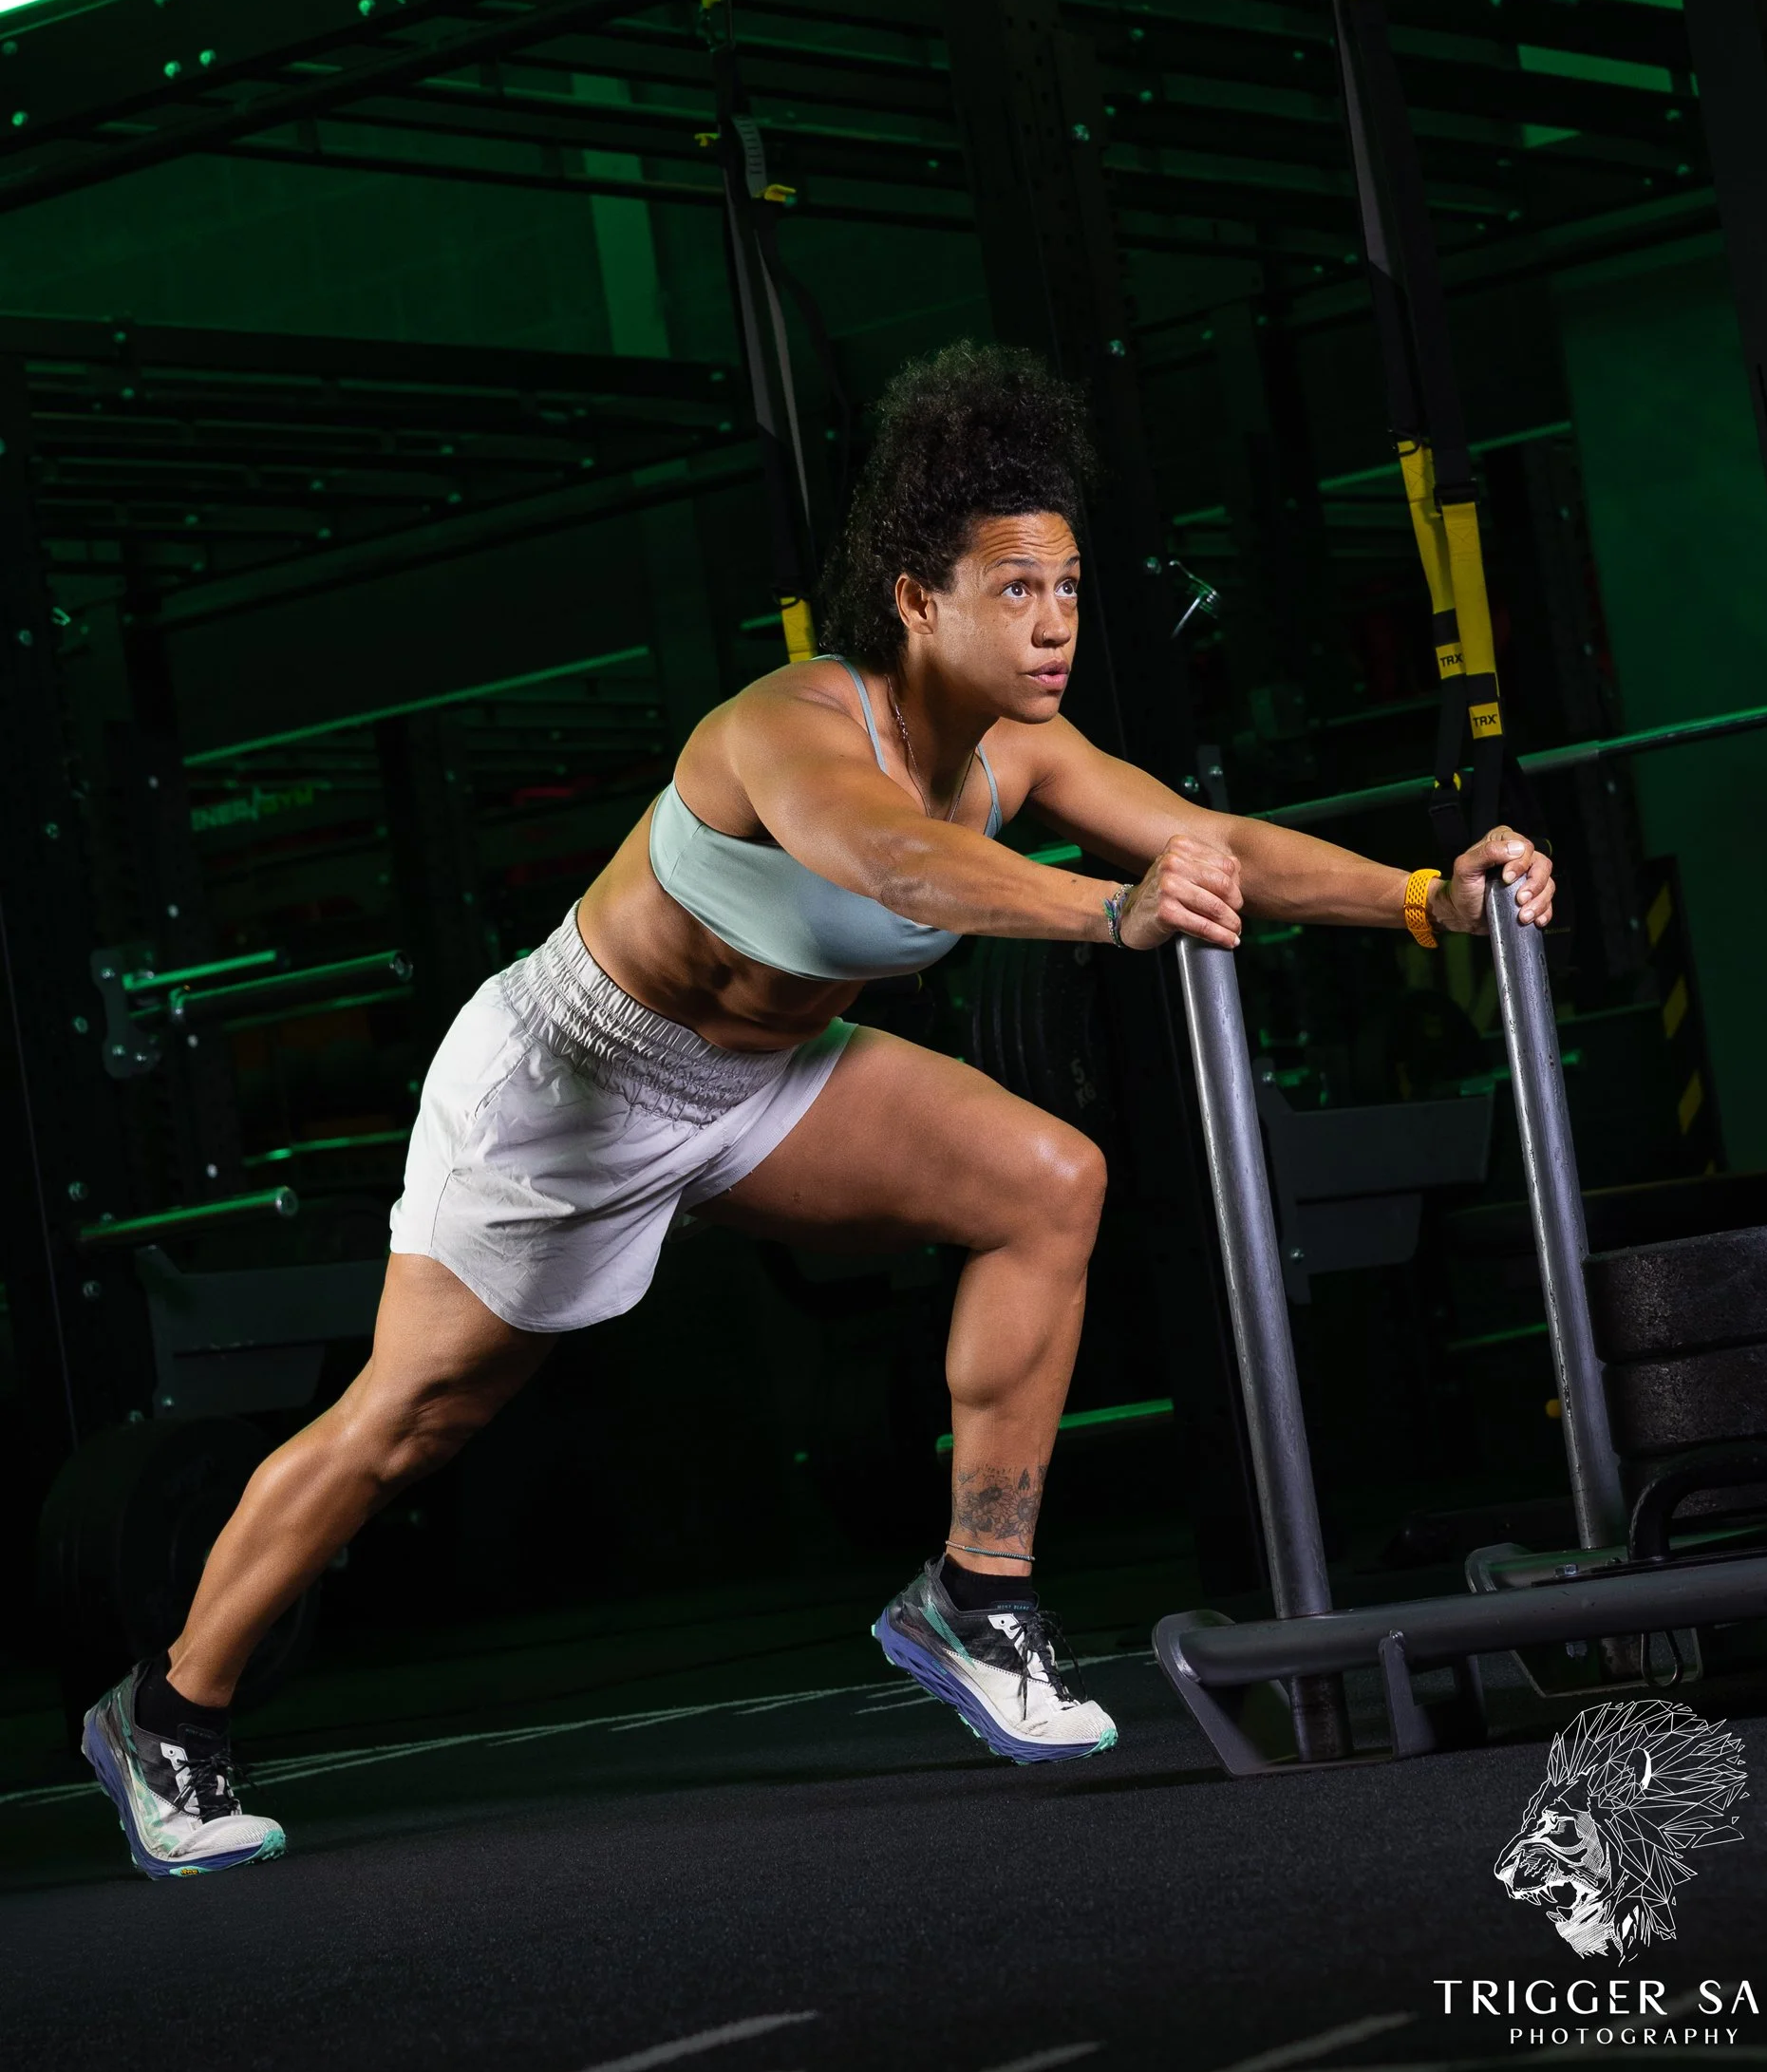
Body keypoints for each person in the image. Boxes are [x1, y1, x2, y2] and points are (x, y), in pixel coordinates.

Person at [81, 342, 1555, 1877]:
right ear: (919, 601)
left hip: (759, 1081)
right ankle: (168, 1714)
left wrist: (1420, 896)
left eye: (1065, 587)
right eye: (1012, 589)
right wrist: (1110, 916)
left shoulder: (1023, 754)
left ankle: (977, 1595)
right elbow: (892, 866)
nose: (1053, 625)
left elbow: (1213, 835)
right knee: (409, 1421)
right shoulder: (786, 725)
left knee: (1049, 1180)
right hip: (568, 1080)